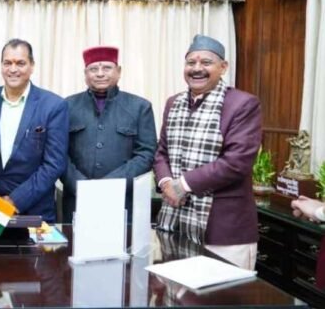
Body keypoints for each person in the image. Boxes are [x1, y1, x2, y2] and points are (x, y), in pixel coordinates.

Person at [154, 35, 262, 270]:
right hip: (176, 223)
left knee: (225, 293)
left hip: (224, 230)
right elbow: (162, 152)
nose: (197, 69)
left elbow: (236, 163)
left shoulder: (242, 103)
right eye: (191, 62)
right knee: (178, 291)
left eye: (206, 62)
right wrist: (166, 183)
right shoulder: (174, 103)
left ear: (223, 67)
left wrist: (182, 185)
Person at [62, 46, 156, 223]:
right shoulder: (67, 105)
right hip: (77, 199)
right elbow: (58, 152)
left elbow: (146, 154)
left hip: (124, 200)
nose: (100, 74)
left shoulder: (140, 107)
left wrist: (111, 185)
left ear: (118, 71)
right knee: (75, 240)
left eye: (107, 68)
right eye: (93, 69)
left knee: (123, 241)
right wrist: (80, 186)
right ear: (85, 74)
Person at [0, 39, 68, 223]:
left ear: (32, 66)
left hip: (34, 212)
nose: (13, 69)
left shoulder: (53, 105)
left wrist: (13, 201)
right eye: (7, 63)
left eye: (20, 63)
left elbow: (54, 164)